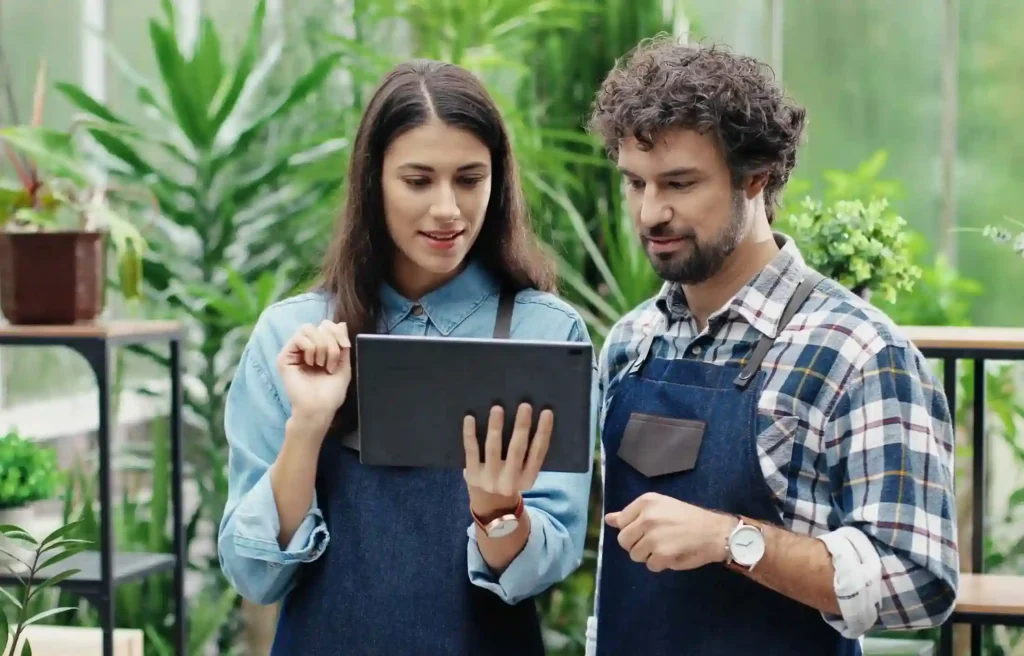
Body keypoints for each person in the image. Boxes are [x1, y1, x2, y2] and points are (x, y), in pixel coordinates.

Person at [582, 38, 959, 656]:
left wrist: (732, 540)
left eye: (679, 183)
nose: (651, 213)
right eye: (635, 183)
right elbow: (616, 581)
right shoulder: (631, 342)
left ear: (755, 177)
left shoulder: (857, 352)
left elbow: (920, 581)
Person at [217, 59, 596, 656]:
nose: (448, 208)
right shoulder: (292, 335)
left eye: (469, 179)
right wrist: (308, 426)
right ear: (374, 182)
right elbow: (254, 573)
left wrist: (497, 510)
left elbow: (546, 564)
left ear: (497, 182)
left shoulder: (546, 334)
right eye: (418, 181)